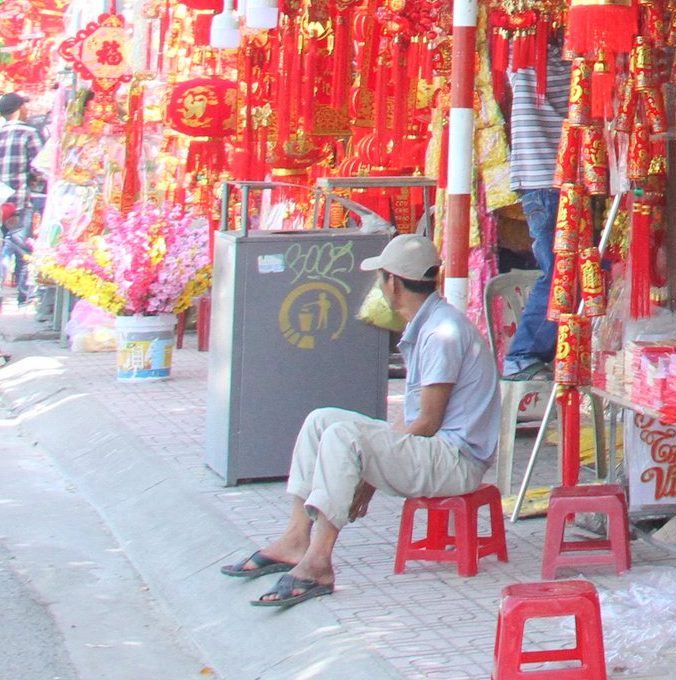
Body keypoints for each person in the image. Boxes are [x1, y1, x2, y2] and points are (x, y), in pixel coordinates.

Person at [220, 233, 499, 608]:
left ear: (393, 284)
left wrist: (368, 472)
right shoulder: (429, 323)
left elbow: (428, 422)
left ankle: (318, 561)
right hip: (435, 448)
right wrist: (375, 458)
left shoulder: (442, 332)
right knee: (322, 421)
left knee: (343, 437)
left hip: (456, 460)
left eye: (381, 278)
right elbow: (412, 416)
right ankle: (295, 537)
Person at [501, 36, 570, 379]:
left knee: (562, 266)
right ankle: (524, 353)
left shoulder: (517, 47)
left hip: (537, 176)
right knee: (561, 268)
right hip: (551, 176)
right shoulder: (556, 50)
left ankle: (544, 351)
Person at [0, 95, 46, 302]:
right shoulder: (29, 134)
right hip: (18, 201)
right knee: (22, 248)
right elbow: (40, 168)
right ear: (20, 108)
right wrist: (34, 180)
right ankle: (26, 295)